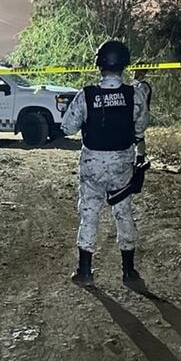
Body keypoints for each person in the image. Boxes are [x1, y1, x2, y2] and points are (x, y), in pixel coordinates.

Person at [62, 40, 149, 286]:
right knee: (123, 213)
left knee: (89, 213)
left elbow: (68, 128)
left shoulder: (86, 95)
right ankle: (129, 272)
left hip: (92, 165)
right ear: (124, 65)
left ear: (99, 64)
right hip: (122, 163)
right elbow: (140, 128)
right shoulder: (135, 95)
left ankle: (85, 272)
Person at [132, 68, 152, 168]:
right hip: (135, 113)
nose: (134, 73)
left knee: (138, 136)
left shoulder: (143, 86)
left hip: (141, 114)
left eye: (137, 71)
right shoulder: (135, 85)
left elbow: (141, 101)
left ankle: (140, 159)